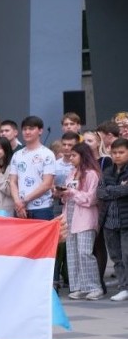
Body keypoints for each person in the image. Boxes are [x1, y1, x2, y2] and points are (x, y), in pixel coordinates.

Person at [62, 143, 103, 300]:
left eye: (74, 155)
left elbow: (91, 199)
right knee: (72, 253)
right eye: (70, 156)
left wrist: (72, 192)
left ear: (83, 156)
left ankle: (95, 286)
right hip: (70, 215)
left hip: (85, 217)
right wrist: (62, 193)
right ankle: (79, 286)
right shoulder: (72, 173)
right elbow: (69, 196)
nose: (71, 158)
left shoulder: (92, 174)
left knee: (85, 252)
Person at [9, 115, 58, 220]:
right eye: (25, 129)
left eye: (31, 129)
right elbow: (12, 181)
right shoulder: (17, 155)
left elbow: (47, 184)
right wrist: (18, 202)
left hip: (42, 208)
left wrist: (25, 201)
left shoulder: (47, 154)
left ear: (40, 131)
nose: (27, 132)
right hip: (20, 208)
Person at [98, 138, 128, 302]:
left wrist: (112, 190)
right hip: (109, 220)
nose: (117, 156)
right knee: (116, 257)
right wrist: (119, 189)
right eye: (115, 152)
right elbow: (100, 193)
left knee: (127, 255)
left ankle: (126, 287)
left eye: (121, 152)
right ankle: (123, 288)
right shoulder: (108, 171)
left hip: (125, 221)